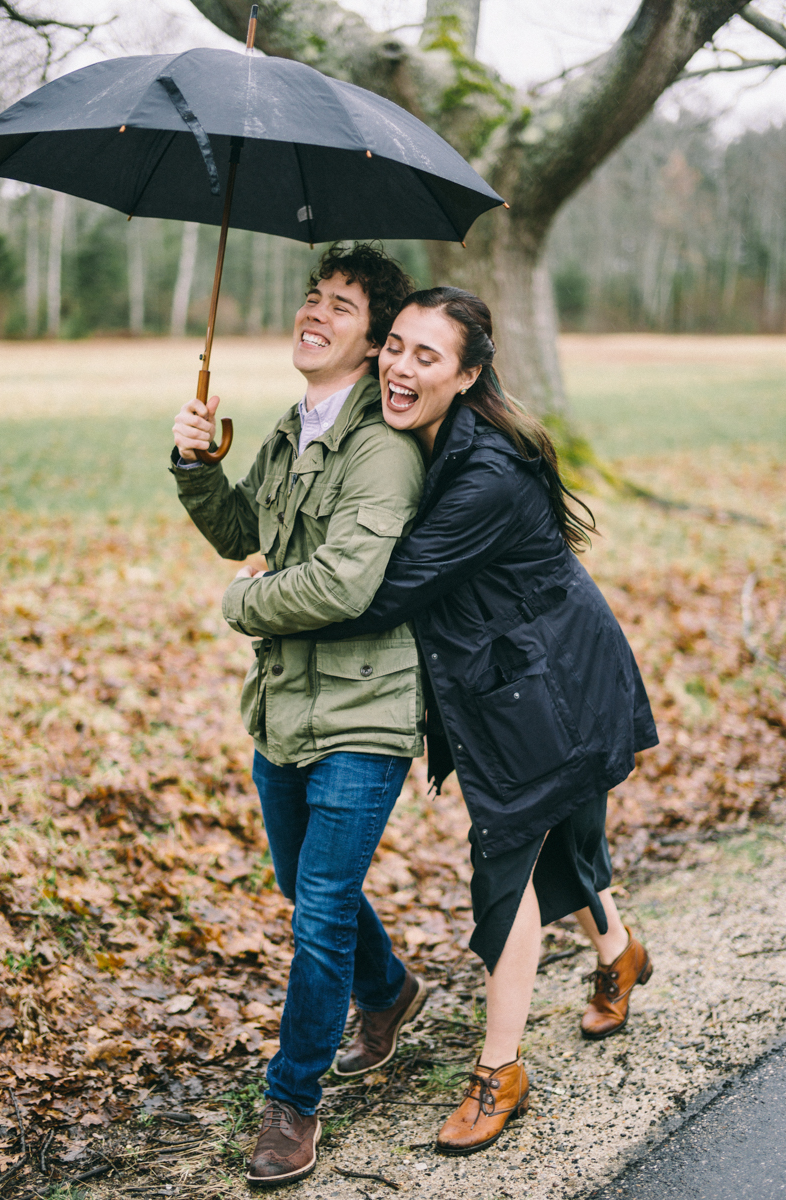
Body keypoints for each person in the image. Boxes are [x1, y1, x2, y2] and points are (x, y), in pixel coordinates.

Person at [226, 286, 659, 1157]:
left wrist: (260, 596)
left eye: (428, 355)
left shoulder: (485, 475)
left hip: (549, 687)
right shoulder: (425, 441)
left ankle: (501, 1072)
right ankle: (619, 952)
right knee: (561, 834)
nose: (399, 365)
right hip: (516, 672)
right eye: (395, 346)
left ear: (468, 375)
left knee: (510, 872)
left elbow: (376, 591)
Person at [170, 244, 432, 1187]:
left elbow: (346, 582)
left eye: (341, 307)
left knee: (317, 910)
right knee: (302, 883)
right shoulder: (290, 427)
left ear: (372, 345)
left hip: (367, 708)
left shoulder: (382, 448)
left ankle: (294, 1100)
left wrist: (245, 604)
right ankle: (390, 990)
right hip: (285, 706)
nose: (313, 314)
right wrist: (197, 464)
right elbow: (245, 535)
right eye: (312, 298)